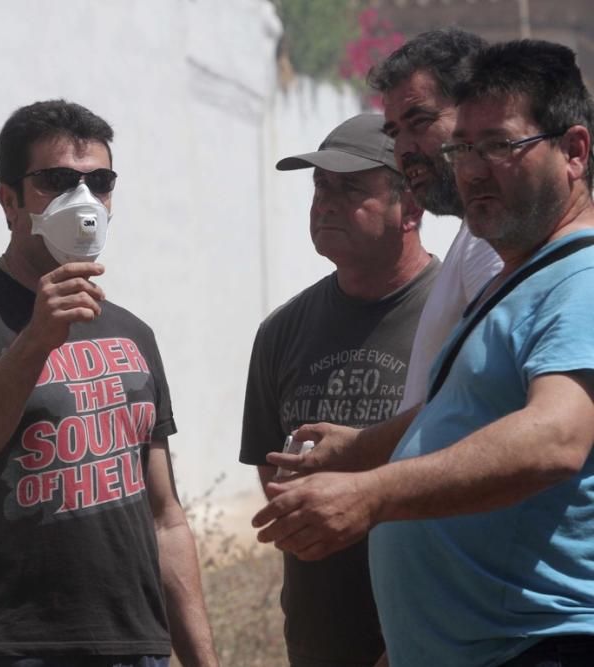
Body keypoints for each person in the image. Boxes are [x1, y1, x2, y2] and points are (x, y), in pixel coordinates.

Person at [254, 39, 594, 667]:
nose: (470, 169)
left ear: (573, 152)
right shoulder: (516, 279)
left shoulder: (583, 277)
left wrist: (372, 491)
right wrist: (362, 449)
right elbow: (468, 416)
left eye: (499, 146)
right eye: (463, 148)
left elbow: (555, 438)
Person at [0, 100, 217, 667]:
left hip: (138, 648)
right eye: (57, 181)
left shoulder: (134, 334)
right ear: (9, 201)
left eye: (99, 181)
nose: (82, 200)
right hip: (15, 648)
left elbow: (164, 517)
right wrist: (36, 338)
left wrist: (202, 661)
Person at [240, 113, 439, 667]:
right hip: (319, 643)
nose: (326, 201)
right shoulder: (282, 331)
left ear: (413, 206)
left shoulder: (460, 314)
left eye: (351, 186)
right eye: (319, 186)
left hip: (435, 638)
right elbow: (271, 469)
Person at [268, 28, 505, 481]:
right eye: (397, 132)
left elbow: (503, 423)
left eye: (419, 122)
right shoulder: (283, 329)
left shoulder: (499, 247)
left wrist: (367, 494)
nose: (406, 150)